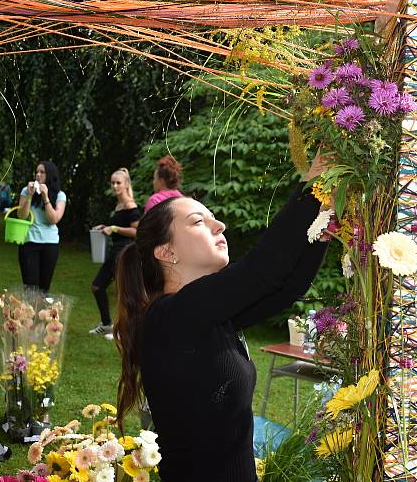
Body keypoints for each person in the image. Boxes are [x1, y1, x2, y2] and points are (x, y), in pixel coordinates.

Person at [114, 150, 330, 481]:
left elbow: (286, 287)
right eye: (199, 221)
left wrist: (322, 222)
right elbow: (264, 270)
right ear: (166, 252)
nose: (220, 224)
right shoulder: (168, 319)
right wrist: (314, 184)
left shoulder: (207, 317)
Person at [89, 168, 140, 339]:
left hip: (125, 252)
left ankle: (123, 330)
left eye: (118, 182)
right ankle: (106, 324)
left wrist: (115, 228)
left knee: (123, 292)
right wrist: (105, 227)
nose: (115, 186)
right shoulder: (119, 205)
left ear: (126, 184)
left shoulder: (129, 205)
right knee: (97, 286)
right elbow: (118, 229)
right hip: (116, 251)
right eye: (112, 183)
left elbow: (136, 231)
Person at [17, 161, 67, 293]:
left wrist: (45, 197)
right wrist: (29, 195)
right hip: (29, 242)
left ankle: (41, 314)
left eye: (42, 172)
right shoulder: (26, 191)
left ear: (50, 175)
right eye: (36, 172)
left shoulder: (60, 195)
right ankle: (29, 313)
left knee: (44, 288)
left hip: (50, 245)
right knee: (30, 288)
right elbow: (22, 216)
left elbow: (54, 219)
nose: (38, 175)